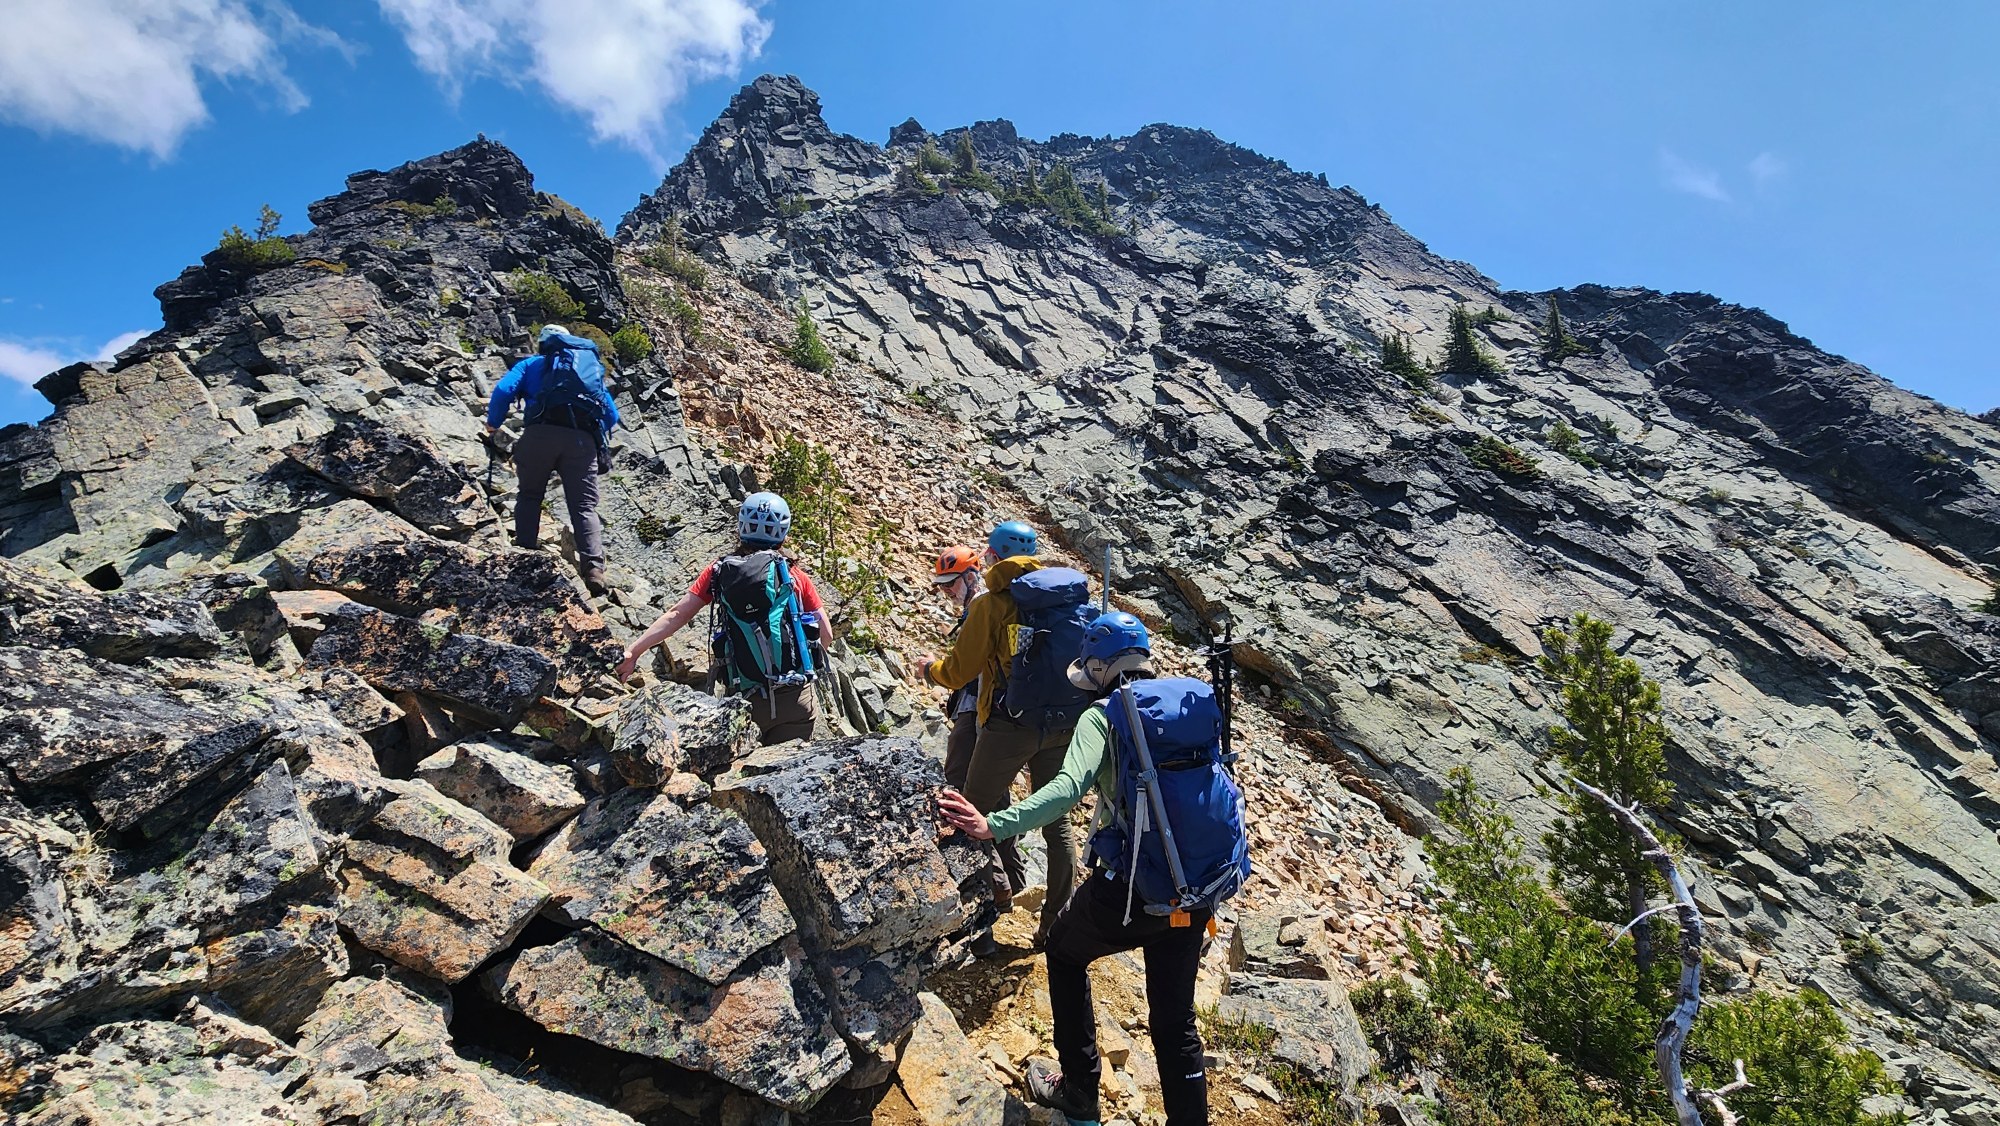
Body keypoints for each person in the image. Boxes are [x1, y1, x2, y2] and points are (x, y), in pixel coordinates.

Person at [939, 612, 1244, 1126]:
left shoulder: (1104, 715)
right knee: (1175, 1022)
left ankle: (1080, 1093)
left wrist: (993, 824)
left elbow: (1065, 792)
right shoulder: (1187, 705)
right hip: (1195, 886)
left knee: (1063, 951)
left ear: (1099, 668)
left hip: (1131, 890)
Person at [923, 520, 1092, 945]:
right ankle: (1055, 929)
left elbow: (958, 672)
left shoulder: (993, 603)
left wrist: (929, 670)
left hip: (1009, 725)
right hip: (1062, 723)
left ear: (993, 556)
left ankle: (979, 927)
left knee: (968, 813)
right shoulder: (1062, 598)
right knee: (1057, 821)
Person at [615, 493, 829, 744]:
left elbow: (677, 615)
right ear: (783, 532)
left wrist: (633, 652)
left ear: (741, 527)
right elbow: (825, 634)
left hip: (745, 702)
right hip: (796, 701)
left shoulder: (719, 572)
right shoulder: (793, 575)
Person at [486, 325, 620, 596]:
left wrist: (493, 423)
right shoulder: (587, 370)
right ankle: (594, 570)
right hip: (581, 443)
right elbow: (611, 416)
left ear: (543, 343)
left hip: (539, 435)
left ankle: (525, 549)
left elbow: (503, 390)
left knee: (530, 494)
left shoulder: (532, 364)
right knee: (584, 507)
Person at [931, 545, 1027, 903]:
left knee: (959, 794)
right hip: (1002, 717)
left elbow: (961, 672)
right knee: (996, 800)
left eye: (951, 583)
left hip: (977, 713)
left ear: (971, 576)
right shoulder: (1005, 607)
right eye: (942, 585)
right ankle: (1016, 883)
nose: (946, 591)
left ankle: (995, 887)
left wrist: (930, 669)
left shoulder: (984, 608)